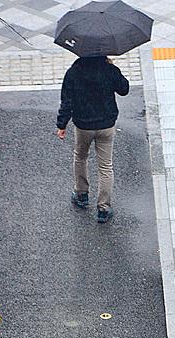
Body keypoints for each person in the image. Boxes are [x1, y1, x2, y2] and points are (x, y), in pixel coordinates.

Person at [56, 56, 130, 223]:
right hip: (106, 125)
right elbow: (124, 89)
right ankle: (103, 208)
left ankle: (81, 194)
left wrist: (62, 125)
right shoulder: (108, 69)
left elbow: (66, 101)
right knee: (105, 166)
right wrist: (113, 67)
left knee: (81, 157)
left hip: (83, 126)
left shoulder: (74, 72)